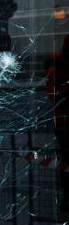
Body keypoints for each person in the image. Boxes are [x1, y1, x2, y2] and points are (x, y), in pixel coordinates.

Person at [46, 35, 69, 212]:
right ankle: (66, 199)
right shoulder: (57, 70)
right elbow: (54, 96)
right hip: (63, 122)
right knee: (66, 162)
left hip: (62, 121)